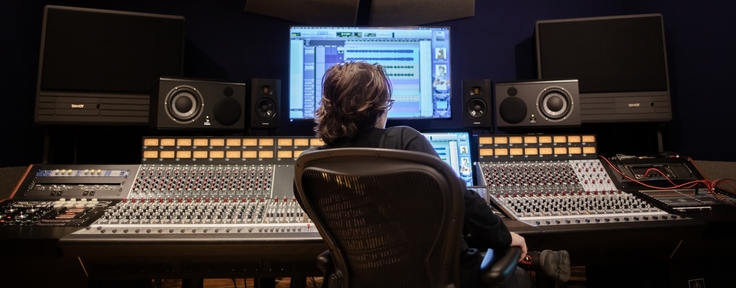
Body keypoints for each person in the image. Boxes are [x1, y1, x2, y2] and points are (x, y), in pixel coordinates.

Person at [307, 61, 570, 287]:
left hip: (364, 279)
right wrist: (503, 237)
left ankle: (534, 257)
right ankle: (532, 260)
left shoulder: (312, 166)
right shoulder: (403, 141)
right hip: (436, 276)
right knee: (518, 279)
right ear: (377, 107)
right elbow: (460, 200)